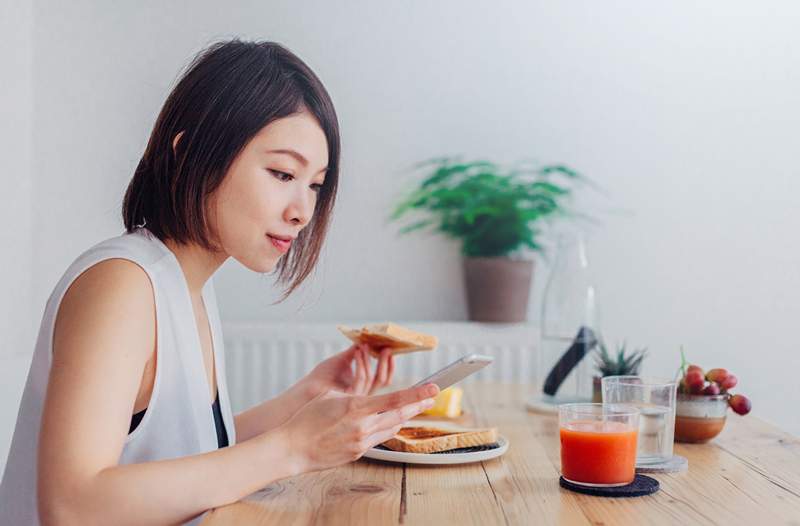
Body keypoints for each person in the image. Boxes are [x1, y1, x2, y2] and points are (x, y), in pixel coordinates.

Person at [0, 39, 439, 525]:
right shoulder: (120, 286)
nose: (302, 211)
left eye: (314, 184)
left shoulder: (186, 285)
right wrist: (290, 448)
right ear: (190, 154)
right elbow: (72, 506)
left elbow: (187, 457)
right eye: (281, 173)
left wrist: (305, 401)